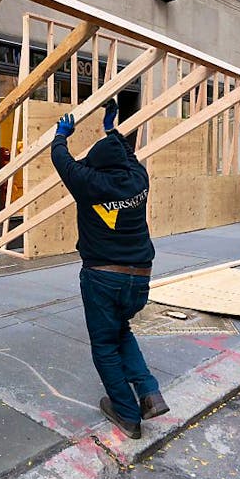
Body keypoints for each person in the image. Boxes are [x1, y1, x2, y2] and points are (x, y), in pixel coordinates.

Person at [49, 99, 167, 440]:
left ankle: (127, 414)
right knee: (121, 331)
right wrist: (111, 129)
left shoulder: (88, 183)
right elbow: (127, 155)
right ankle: (149, 392)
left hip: (103, 276)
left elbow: (62, 160)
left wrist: (61, 135)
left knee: (104, 344)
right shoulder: (138, 179)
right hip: (140, 276)